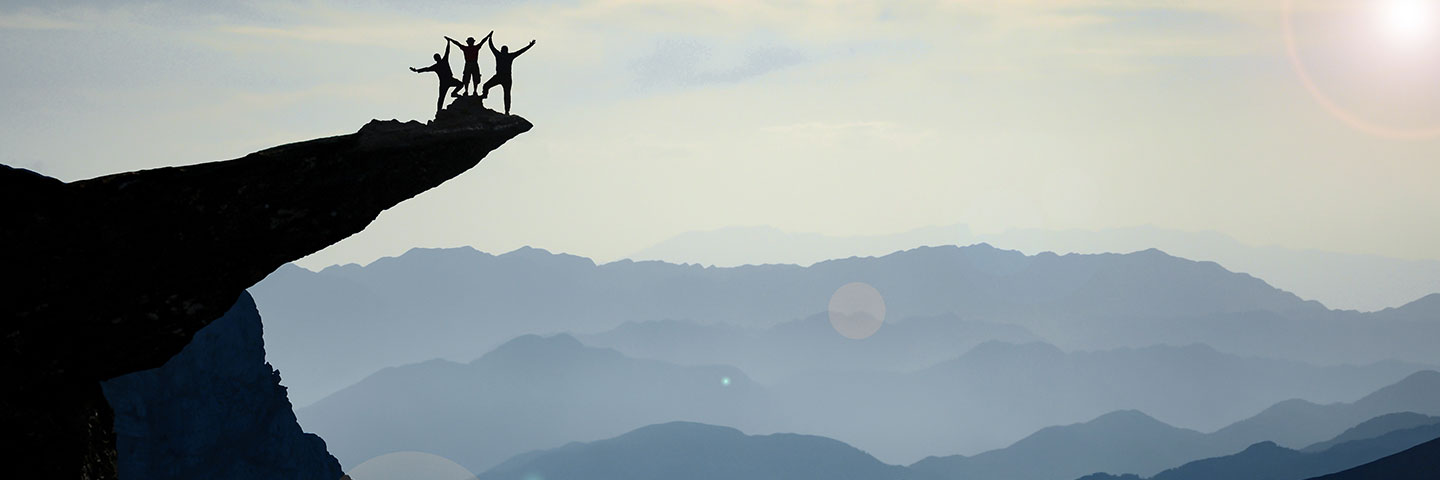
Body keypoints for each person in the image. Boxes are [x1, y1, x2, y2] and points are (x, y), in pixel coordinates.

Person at [480, 36, 535, 115]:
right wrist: (530, 45)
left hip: (502, 77)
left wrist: (490, 38)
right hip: (504, 77)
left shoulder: (499, 54)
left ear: (502, 50)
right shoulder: (509, 56)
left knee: (488, 87)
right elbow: (521, 51)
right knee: (506, 94)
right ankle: (506, 111)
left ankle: (504, 109)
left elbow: (491, 47)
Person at [410, 41, 464, 116]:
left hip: (449, 80)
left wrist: (448, 43)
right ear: (437, 58)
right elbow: (427, 68)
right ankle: (439, 111)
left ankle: (453, 94)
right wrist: (417, 70)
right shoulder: (439, 64)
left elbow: (447, 52)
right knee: (441, 97)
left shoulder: (442, 62)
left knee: (460, 85)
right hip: (445, 82)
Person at [446, 32, 492, 96]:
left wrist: (489, 35)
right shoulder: (468, 48)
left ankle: (474, 91)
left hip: (473, 64)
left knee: (475, 78)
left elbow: (482, 41)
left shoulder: (472, 48)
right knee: (467, 78)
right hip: (469, 64)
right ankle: (467, 91)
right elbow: (457, 43)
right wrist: (450, 39)